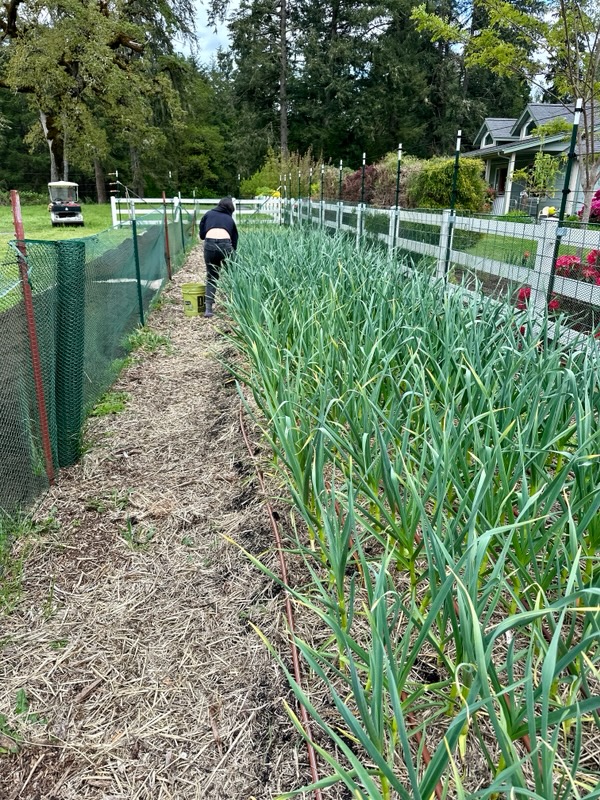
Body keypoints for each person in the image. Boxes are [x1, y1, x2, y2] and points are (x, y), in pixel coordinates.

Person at [199, 197, 238, 318]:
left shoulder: (208, 214)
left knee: (211, 277)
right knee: (234, 274)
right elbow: (235, 240)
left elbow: (202, 235)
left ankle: (208, 309)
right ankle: (236, 304)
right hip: (226, 245)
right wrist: (232, 256)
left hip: (209, 245)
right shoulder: (229, 219)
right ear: (230, 208)